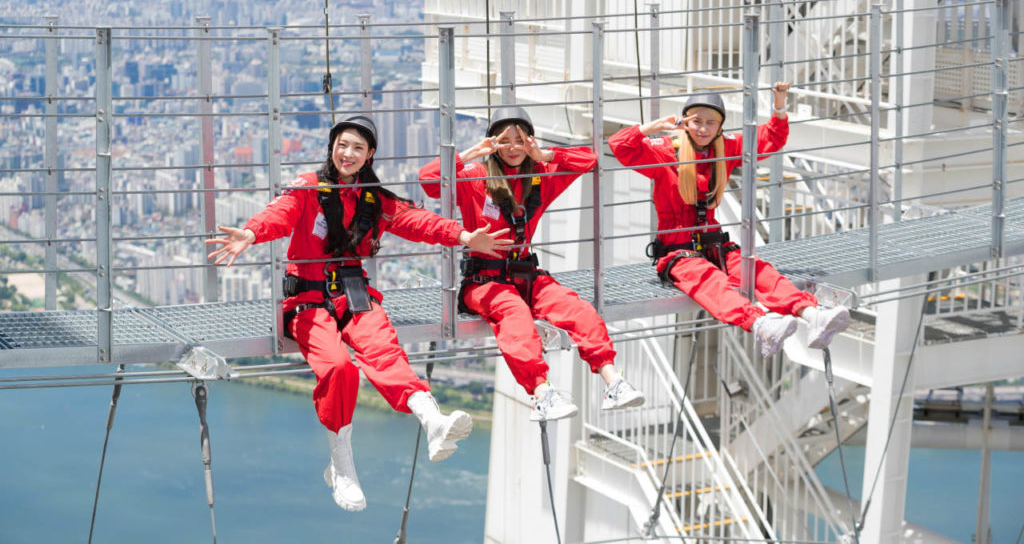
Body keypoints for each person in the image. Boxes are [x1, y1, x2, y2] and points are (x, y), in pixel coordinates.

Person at [206, 115, 512, 512]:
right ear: (332, 147)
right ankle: (341, 463)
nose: (346, 154)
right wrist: (250, 233)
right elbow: (280, 213)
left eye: (357, 148)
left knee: (382, 348)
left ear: (369, 155)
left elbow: (415, 221)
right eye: (341, 145)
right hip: (308, 298)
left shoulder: (373, 197)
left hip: (353, 292)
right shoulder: (309, 187)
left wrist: (465, 236)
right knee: (339, 368)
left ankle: (431, 420)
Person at [418, 106, 645, 422]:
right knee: (515, 317)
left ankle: (613, 381)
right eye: (504, 140)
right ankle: (542, 394)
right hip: (484, 281)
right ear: (493, 144)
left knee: (576, 309)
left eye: (520, 139)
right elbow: (429, 181)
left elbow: (588, 161)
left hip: (526, 275)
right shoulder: (475, 177)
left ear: (530, 142)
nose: (513, 147)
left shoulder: (538, 178)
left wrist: (546, 154)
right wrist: (474, 152)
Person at [609, 84, 850, 357]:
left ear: (720, 126)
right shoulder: (665, 150)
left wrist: (780, 105)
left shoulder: (725, 147)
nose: (703, 129)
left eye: (711, 123)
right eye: (696, 122)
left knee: (758, 270)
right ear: (685, 121)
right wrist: (653, 127)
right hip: (678, 251)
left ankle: (811, 313)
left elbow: (771, 138)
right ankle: (760, 323)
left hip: (715, 244)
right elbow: (620, 145)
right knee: (709, 281)